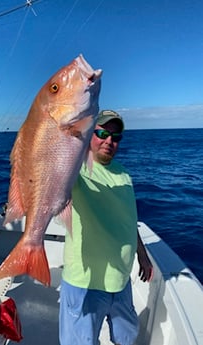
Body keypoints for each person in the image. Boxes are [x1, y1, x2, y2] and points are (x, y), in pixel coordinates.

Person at [59, 110, 153, 345]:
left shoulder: (123, 173)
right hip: (85, 283)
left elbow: (128, 219)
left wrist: (142, 254)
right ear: (90, 133)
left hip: (121, 281)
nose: (109, 140)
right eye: (102, 133)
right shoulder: (75, 168)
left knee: (126, 338)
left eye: (116, 136)